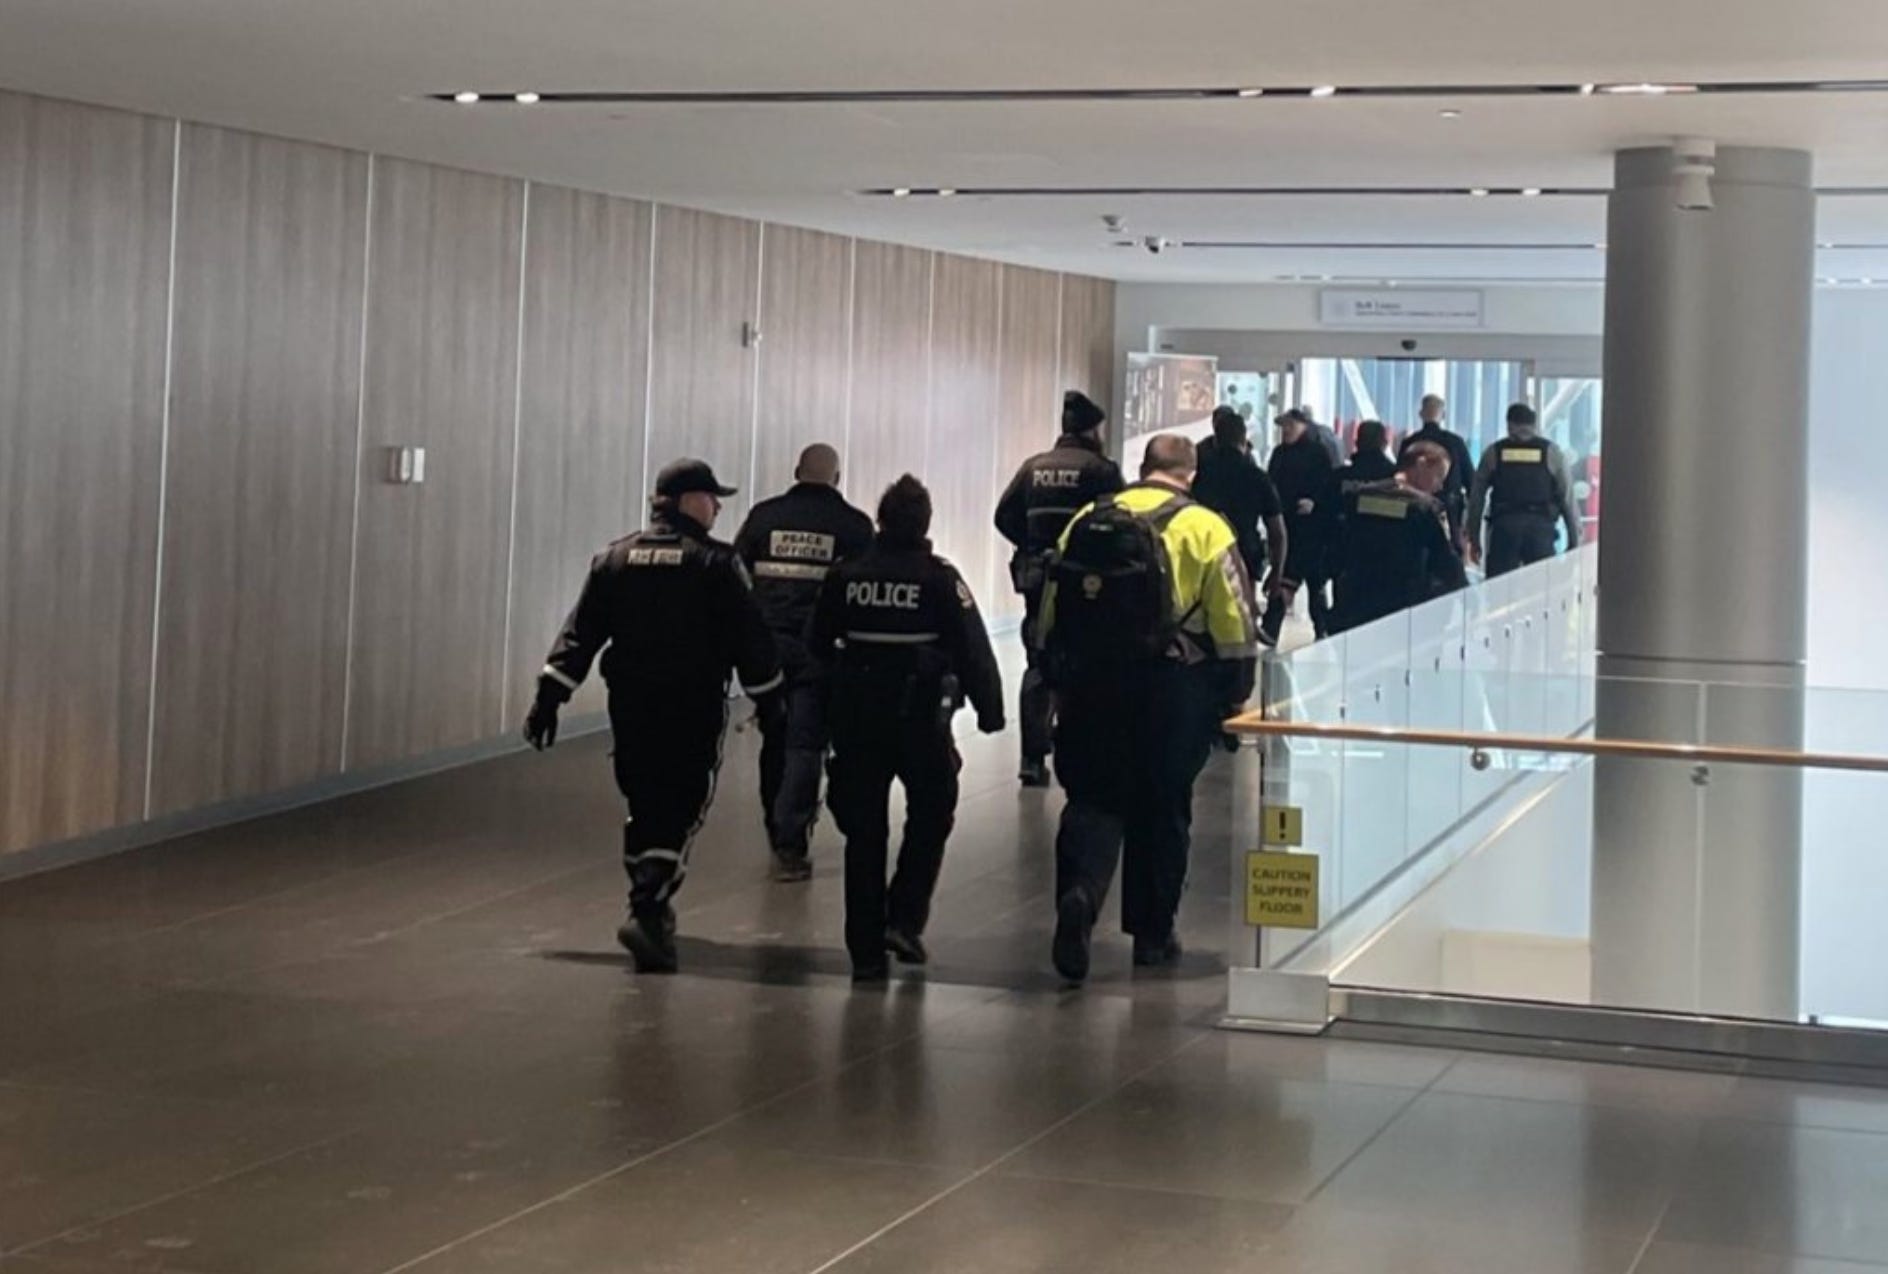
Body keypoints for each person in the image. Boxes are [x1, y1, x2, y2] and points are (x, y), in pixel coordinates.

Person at [523, 458, 783, 974]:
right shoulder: (715, 562)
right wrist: (771, 700)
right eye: (713, 498)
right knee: (683, 804)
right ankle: (647, 905)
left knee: (644, 799)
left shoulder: (615, 559)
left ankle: (651, 908)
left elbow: (582, 634)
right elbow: (749, 638)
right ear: (689, 501)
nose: (718, 508)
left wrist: (549, 697)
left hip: (632, 704)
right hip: (693, 703)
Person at [1039, 435, 1260, 982]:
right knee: (1163, 806)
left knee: (1091, 797)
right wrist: (1235, 692)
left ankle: (1081, 896)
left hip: (1092, 684)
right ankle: (1152, 934)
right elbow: (1235, 621)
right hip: (1170, 687)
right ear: (1191, 473)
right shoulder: (1206, 527)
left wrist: (1053, 674)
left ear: (1143, 468)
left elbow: (1052, 606)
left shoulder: (1088, 518)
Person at [810, 475, 1005, 982]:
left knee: (864, 832)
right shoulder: (939, 578)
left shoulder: (845, 575)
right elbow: (972, 649)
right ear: (925, 523)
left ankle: (866, 951)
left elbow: (816, 648)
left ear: (880, 519)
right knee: (933, 813)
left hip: (856, 723)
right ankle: (904, 917)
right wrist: (991, 711)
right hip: (919, 721)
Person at [732, 444, 875, 882]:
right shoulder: (854, 526)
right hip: (819, 650)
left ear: (797, 471)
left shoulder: (763, 517)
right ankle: (791, 844)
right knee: (805, 744)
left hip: (766, 650)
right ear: (836, 478)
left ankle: (774, 829)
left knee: (775, 737)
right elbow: (862, 594)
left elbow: (737, 576)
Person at [993, 390, 1124, 787]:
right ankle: (1079, 749)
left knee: (1038, 661)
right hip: (1085, 582)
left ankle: (1032, 758)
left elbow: (1004, 516)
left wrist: (1032, 546)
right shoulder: (1101, 470)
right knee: (1086, 664)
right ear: (1092, 430)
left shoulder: (1033, 467)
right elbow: (1116, 522)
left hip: (1037, 576)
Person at [1331, 439, 1469, 632]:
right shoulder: (1425, 507)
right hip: (1406, 604)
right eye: (1438, 476)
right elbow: (1444, 560)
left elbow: (1338, 545)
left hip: (1357, 600)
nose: (1439, 486)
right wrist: (1467, 596)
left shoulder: (1360, 498)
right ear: (1420, 464)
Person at [1191, 406, 1288, 636]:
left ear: (1216, 438)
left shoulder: (1200, 473)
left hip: (1203, 553)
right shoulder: (1257, 476)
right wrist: (1277, 573)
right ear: (1244, 439)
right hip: (1245, 551)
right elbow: (1278, 532)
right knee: (1242, 613)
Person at [1465, 403, 1583, 577]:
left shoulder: (1494, 453)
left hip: (1504, 530)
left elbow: (1476, 498)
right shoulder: (1552, 452)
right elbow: (1567, 497)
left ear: (1509, 425)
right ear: (1534, 426)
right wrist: (1574, 539)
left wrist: (1473, 538)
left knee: (1500, 592)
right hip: (1541, 530)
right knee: (1541, 590)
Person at [1263, 407, 1338, 643]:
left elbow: (1330, 485)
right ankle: (1273, 629)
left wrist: (1315, 502)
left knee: (1312, 584)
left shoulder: (1319, 452)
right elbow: (1270, 483)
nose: (1285, 431)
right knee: (1290, 579)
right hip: (1287, 525)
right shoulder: (1279, 453)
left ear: (1303, 426)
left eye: (1290, 426)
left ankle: (1320, 630)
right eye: (1283, 427)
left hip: (1311, 531)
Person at [1324, 420, 1398, 630]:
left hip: (1347, 559)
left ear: (1356, 443)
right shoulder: (1395, 479)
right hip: (1388, 562)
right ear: (1385, 443)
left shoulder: (1340, 478)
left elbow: (1325, 516)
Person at [1397, 394, 1474, 552]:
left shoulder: (1408, 443)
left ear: (1421, 414)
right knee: (1448, 555)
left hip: (1414, 508)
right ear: (1443, 415)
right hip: (1448, 511)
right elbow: (1471, 481)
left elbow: (1400, 480)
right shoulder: (1455, 443)